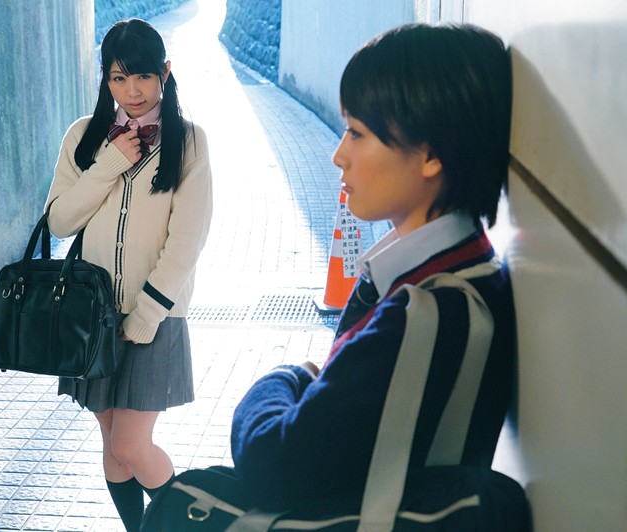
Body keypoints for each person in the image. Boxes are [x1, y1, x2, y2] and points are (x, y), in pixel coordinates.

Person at [230, 23, 515, 513]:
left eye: (357, 133)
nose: (338, 155)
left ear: (431, 155)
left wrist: (288, 376)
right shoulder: (459, 271)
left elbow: (270, 463)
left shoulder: (428, 314)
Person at [44, 18, 212, 532]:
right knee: (113, 447)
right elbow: (59, 220)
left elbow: (187, 238)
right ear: (106, 79)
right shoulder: (84, 136)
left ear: (165, 72)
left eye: (142, 76)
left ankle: (197, 525)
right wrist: (109, 164)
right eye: (118, 78)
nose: (132, 91)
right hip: (91, 316)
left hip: (153, 316)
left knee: (131, 444)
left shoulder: (189, 141)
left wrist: (147, 313)